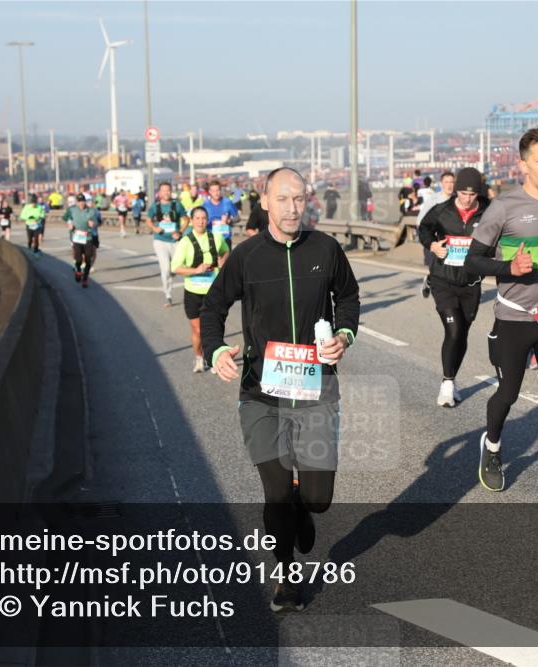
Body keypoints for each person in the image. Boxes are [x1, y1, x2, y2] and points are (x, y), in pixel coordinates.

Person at [201, 167, 360, 613]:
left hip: (316, 389)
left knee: (318, 499)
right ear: (265, 201)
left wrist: (344, 335)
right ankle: (285, 577)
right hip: (260, 392)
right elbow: (213, 307)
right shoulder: (247, 256)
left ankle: (302, 505)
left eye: (299, 199)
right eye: (283, 199)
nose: (293, 208)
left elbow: (349, 298)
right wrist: (215, 352)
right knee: (274, 491)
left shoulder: (326, 249)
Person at [464, 125, 538, 513]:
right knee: (509, 393)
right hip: (514, 317)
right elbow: (472, 262)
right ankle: (493, 445)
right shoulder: (503, 208)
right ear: (523, 165)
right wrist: (508, 267)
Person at [418, 168, 490, 407]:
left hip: (471, 282)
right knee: (454, 329)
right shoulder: (443, 210)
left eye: (472, 194)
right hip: (443, 280)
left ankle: (452, 378)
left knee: (463, 333)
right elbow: (424, 229)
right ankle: (447, 384)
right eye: (462, 193)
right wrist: (432, 246)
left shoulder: (489, 211)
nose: (467, 199)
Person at [170, 206, 230, 373]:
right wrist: (195, 271)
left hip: (213, 292)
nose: (201, 221)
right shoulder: (185, 242)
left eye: (204, 218)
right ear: (191, 220)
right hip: (193, 292)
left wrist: (222, 261)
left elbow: (226, 251)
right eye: (197, 218)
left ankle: (213, 359)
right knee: (198, 329)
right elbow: (175, 267)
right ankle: (199, 357)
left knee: (214, 328)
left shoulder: (216, 238)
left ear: (207, 220)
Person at [145, 181, 189, 307]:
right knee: (165, 269)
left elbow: (186, 219)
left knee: (179, 267)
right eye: (163, 190)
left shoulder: (177, 205)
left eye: (168, 190)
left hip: (174, 241)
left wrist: (180, 232)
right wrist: (154, 228)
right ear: (159, 193)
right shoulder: (155, 206)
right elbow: (148, 220)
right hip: (160, 240)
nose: (166, 193)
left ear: (171, 191)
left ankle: (188, 293)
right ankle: (168, 295)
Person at [417, 172, 456, 298]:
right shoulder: (434, 200)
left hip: (454, 241)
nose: (449, 185)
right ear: (441, 184)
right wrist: (432, 242)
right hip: (437, 241)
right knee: (439, 271)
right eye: (446, 182)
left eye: (452, 182)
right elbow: (420, 221)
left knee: (452, 270)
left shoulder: (457, 199)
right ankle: (429, 280)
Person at [63, 193, 99, 287]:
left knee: (88, 260)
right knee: (78, 258)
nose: (81, 203)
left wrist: (93, 224)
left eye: (83, 201)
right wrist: (69, 223)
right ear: (77, 202)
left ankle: (85, 279)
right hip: (77, 237)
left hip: (88, 237)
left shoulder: (90, 211)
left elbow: (95, 222)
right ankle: (78, 270)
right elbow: (65, 217)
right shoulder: (72, 209)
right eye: (79, 201)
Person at [202, 180, 240, 244]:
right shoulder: (205, 205)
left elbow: (237, 218)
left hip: (225, 239)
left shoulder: (227, 202)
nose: (216, 193)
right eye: (213, 191)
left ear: (221, 190)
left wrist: (229, 221)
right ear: (210, 192)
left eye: (218, 190)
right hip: (211, 240)